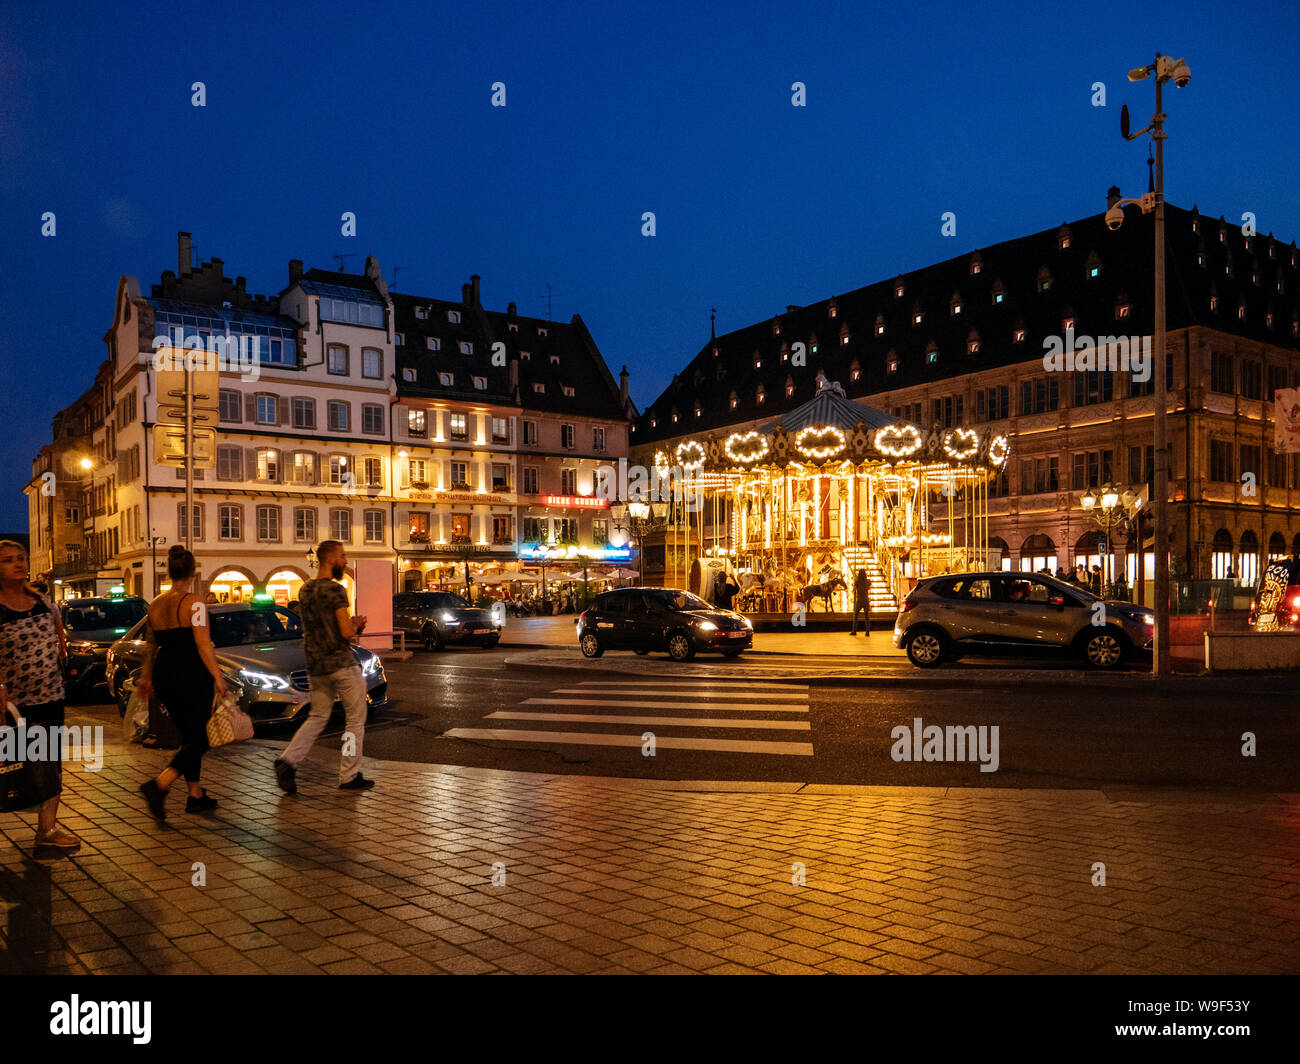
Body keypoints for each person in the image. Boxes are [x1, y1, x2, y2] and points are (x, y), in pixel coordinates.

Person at [136, 546, 228, 820]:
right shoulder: (195, 603)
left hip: (165, 675)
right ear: (193, 571)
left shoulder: (155, 605)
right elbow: (202, 644)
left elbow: (151, 647)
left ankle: (195, 794)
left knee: (189, 736)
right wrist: (219, 677)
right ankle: (159, 784)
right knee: (202, 738)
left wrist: (146, 677)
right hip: (191, 674)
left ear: (168, 570)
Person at [0, 540, 80, 853]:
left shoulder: (42, 601)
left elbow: (59, 637)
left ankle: (47, 831)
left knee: (48, 765)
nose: (19, 564)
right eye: (8, 560)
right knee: (9, 765)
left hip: (49, 696)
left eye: (21, 558)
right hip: (11, 705)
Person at [274, 540, 371, 793]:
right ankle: (349, 775)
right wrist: (357, 624)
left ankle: (288, 761)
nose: (345, 560)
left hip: (316, 665)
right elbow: (345, 632)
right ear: (330, 558)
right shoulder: (335, 590)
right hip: (341, 664)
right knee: (355, 721)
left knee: (317, 717)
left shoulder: (305, 591)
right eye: (342, 555)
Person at [850, 569, 872, 634]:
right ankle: (867, 631)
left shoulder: (857, 581)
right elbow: (869, 588)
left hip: (859, 599)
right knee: (866, 616)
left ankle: (854, 630)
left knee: (856, 615)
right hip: (866, 599)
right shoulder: (868, 581)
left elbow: (854, 589)